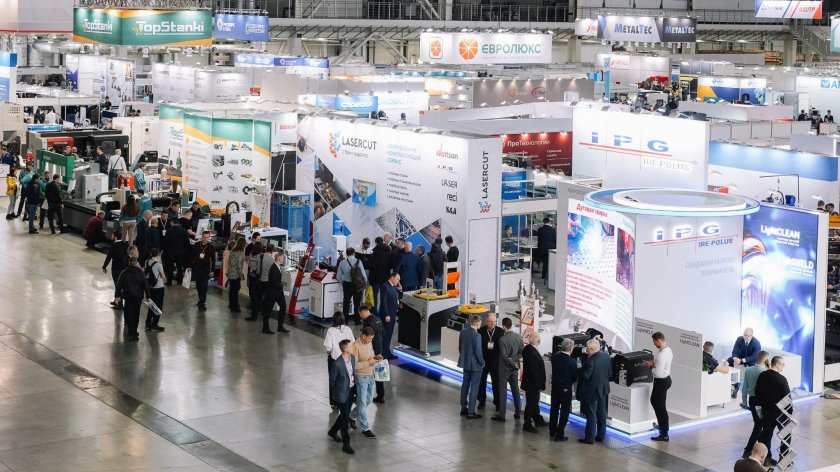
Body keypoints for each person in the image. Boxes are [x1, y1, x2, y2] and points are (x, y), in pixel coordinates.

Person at [754, 356, 791, 467]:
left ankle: (766, 458)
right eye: (783, 364)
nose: (783, 366)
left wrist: (760, 411)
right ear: (777, 364)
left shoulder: (762, 376)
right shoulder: (782, 379)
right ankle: (784, 460)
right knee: (786, 436)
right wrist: (789, 412)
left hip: (766, 412)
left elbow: (757, 394)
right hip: (781, 414)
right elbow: (787, 399)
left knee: (766, 436)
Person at [350, 327, 381, 439]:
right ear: (363, 336)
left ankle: (351, 416)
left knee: (368, 400)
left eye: (372, 338)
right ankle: (365, 428)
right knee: (362, 403)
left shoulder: (368, 343)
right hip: (361, 377)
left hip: (370, 375)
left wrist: (375, 358)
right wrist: (369, 362)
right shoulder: (355, 346)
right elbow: (353, 365)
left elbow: (370, 356)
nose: (371, 340)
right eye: (369, 338)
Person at [578, 339, 611, 444]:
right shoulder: (606, 356)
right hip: (603, 389)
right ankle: (601, 436)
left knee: (591, 415)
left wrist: (580, 369)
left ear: (592, 349)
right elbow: (609, 373)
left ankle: (589, 438)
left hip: (592, 391)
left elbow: (585, 376)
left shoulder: (590, 361)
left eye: (587, 349)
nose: (586, 351)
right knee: (601, 413)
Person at [328, 338, 357, 455]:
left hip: (351, 390)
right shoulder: (337, 364)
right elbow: (332, 381)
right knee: (345, 419)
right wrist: (337, 394)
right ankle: (346, 444)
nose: (353, 347)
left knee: (345, 414)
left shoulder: (352, 358)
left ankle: (333, 431)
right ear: (345, 349)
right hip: (342, 393)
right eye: (351, 346)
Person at [493, 317, 523, 422]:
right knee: (515, 390)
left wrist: (510, 361)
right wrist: (514, 362)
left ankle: (502, 415)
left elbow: (504, 356)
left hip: (504, 369)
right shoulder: (518, 337)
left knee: (503, 391)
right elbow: (521, 353)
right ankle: (518, 412)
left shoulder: (502, 339)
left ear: (504, 326)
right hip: (514, 369)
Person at [323, 312, 355, 409]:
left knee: (334, 380)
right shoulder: (348, 329)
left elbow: (328, 347)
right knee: (347, 379)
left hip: (335, 360)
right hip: (346, 358)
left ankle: (334, 402)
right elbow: (353, 342)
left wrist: (330, 353)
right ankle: (346, 398)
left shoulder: (331, 330)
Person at [742, 351, 770, 458]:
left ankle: (759, 449)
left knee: (759, 424)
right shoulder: (764, 372)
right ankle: (748, 449)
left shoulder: (748, 370)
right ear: (766, 360)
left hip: (752, 400)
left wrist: (744, 401)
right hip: (760, 402)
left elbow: (745, 388)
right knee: (759, 425)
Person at [550, 338, 578, 441]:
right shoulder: (572, 361)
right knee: (564, 412)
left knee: (554, 409)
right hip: (566, 389)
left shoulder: (555, 356)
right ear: (571, 349)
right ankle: (560, 434)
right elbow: (574, 377)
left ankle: (552, 430)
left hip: (555, 387)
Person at [116, 256, 150, 342]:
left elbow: (119, 285)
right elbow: (146, 284)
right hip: (138, 297)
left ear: (129, 263)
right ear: (136, 263)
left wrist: (117, 296)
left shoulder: (124, 272)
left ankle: (131, 333)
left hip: (128, 297)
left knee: (130, 315)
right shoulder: (140, 272)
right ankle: (134, 331)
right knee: (136, 314)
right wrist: (148, 296)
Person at [647, 332, 673, 442]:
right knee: (658, 404)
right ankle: (662, 427)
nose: (654, 344)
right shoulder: (668, 350)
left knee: (660, 407)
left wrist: (650, 367)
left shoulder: (661, 355)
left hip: (661, 381)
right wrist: (655, 365)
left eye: (654, 342)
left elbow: (657, 373)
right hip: (666, 379)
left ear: (659, 340)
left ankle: (664, 433)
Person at [458, 314, 484, 419]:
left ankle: (463, 407)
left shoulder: (463, 332)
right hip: (475, 366)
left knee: (465, 385)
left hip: (466, 363)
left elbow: (460, 348)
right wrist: (482, 362)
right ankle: (471, 412)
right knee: (474, 387)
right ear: (477, 323)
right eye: (480, 322)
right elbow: (478, 352)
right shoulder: (477, 336)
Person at [359, 305, 386, 403]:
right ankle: (381, 395)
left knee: (366, 372)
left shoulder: (368, 323)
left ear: (363, 312)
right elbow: (383, 332)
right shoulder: (377, 319)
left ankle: (364, 395)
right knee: (379, 373)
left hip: (371, 351)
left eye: (360, 314)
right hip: (379, 350)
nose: (360, 316)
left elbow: (366, 339)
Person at [521, 332, 547, 433]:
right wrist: (538, 385)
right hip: (532, 384)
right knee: (532, 403)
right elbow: (534, 371)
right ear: (538, 341)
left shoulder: (528, 349)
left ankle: (538, 419)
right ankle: (527, 423)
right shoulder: (532, 353)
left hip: (530, 383)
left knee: (534, 403)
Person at [476, 313, 503, 411]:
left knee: (496, 382)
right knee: (481, 381)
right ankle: (482, 401)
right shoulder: (480, 331)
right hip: (484, 360)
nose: (493, 324)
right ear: (486, 321)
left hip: (495, 361)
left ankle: (498, 403)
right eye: (491, 322)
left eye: (494, 321)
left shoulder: (500, 331)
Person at [337, 247, 367, 325]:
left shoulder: (342, 262)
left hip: (347, 285)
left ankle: (345, 320)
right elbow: (364, 275)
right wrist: (364, 283)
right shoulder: (358, 261)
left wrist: (343, 282)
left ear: (346, 254)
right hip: (357, 285)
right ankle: (357, 320)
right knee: (357, 303)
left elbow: (338, 276)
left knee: (346, 303)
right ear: (354, 253)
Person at [263, 251, 290, 334]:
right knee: (268, 310)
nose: (283, 259)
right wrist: (281, 285)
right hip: (273, 293)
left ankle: (280, 326)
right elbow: (273, 282)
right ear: (279, 258)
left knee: (283, 307)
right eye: (283, 258)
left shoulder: (278, 267)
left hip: (278, 293)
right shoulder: (274, 268)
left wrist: (280, 285)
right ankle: (265, 328)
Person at [189, 231, 216, 312]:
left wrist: (212, 270)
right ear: (202, 237)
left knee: (204, 287)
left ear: (209, 237)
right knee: (198, 286)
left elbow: (213, 260)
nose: (205, 239)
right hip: (197, 268)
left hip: (206, 269)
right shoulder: (197, 245)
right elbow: (191, 256)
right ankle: (201, 300)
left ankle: (202, 303)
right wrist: (189, 266)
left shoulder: (211, 247)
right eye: (204, 237)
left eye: (207, 237)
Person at [103, 231, 129, 308]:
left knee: (118, 286)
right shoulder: (126, 245)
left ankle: (119, 303)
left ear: (115, 237)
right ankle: (116, 301)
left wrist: (104, 266)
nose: (111, 237)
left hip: (116, 269)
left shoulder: (113, 246)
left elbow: (109, 257)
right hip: (124, 268)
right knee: (121, 285)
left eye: (112, 235)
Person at [379, 272, 401, 361]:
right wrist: (386, 314)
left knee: (389, 334)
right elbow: (383, 302)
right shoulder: (385, 286)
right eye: (397, 279)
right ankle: (384, 354)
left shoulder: (393, 287)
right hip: (388, 315)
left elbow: (399, 297)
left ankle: (387, 352)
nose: (398, 281)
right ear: (392, 277)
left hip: (393, 314)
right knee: (386, 335)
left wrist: (400, 290)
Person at [367, 236, 392, 314]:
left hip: (376, 278)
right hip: (385, 277)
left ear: (376, 243)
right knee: (384, 296)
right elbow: (391, 264)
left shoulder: (375, 252)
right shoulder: (389, 251)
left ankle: (374, 313)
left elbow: (372, 266)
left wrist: (370, 279)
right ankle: (384, 313)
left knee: (374, 295)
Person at [144, 248, 166, 332]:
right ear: (158, 255)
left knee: (151, 306)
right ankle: (154, 324)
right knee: (158, 306)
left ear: (150, 254)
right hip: (158, 287)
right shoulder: (158, 264)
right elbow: (163, 276)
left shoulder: (146, 262)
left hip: (149, 287)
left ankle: (148, 324)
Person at [162, 218, 188, 285]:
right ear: (178, 222)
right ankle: (180, 281)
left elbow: (165, 242)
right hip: (180, 252)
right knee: (179, 267)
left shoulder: (169, 231)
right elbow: (186, 241)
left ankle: (169, 282)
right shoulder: (183, 230)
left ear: (171, 222)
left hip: (171, 252)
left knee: (170, 267)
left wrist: (165, 252)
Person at [246, 242, 265, 321]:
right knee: (259, 294)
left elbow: (249, 264)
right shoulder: (261, 256)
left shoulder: (251, 254)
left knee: (252, 292)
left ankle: (253, 308)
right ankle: (259, 308)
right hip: (257, 276)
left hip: (251, 274)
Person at [227, 238, 245, 313]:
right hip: (236, 274)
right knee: (235, 291)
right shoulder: (241, 253)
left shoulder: (233, 250)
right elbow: (239, 265)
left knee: (232, 291)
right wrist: (241, 275)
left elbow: (229, 261)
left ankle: (231, 305)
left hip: (231, 273)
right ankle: (235, 307)